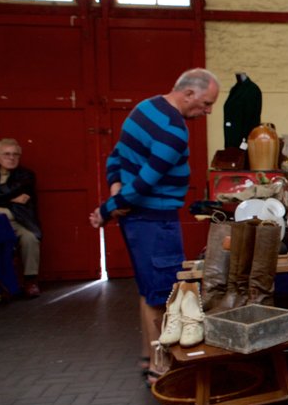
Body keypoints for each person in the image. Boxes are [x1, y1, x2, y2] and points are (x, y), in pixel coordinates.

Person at [89, 68, 219, 383]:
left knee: (149, 290)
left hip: (139, 218)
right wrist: (107, 209)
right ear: (189, 93)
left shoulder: (144, 109)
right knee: (163, 295)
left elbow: (115, 158)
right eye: (206, 104)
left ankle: (150, 357)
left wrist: (115, 189)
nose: (208, 112)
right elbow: (146, 183)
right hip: (155, 221)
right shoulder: (173, 130)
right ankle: (162, 369)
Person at [0, 138, 42, 298]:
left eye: (15, 154)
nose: (11, 158)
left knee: (30, 239)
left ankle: (30, 281)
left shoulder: (26, 175)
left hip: (17, 221)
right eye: (7, 154)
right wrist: (9, 199)